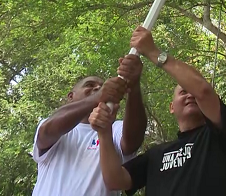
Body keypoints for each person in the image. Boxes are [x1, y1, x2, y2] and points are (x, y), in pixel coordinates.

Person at [89, 26, 226, 196]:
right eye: (183, 92)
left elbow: (203, 91)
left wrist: (153, 52)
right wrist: (104, 132)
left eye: (193, 92)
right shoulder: (155, 154)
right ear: (171, 107)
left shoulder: (219, 137)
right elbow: (114, 180)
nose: (190, 95)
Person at [31, 55, 147, 196]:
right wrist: (98, 97)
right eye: (89, 85)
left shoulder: (112, 128)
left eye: (101, 86)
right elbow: (46, 133)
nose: (98, 87)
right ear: (70, 96)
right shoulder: (58, 128)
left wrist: (133, 86)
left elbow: (132, 141)